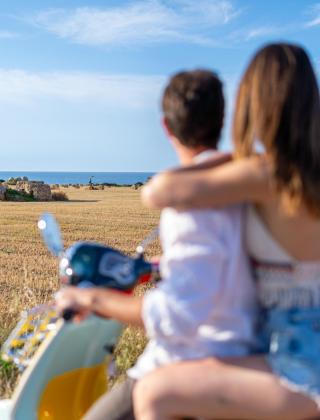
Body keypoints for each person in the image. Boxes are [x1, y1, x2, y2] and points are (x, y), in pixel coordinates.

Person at [55, 69, 257, 420]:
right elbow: (221, 260)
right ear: (221, 121)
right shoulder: (246, 187)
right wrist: (163, 267)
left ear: (166, 127)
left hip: (193, 360)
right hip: (248, 352)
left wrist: (89, 297)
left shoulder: (190, 198)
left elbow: (176, 318)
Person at [133, 43, 320, 420]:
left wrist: (226, 157)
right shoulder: (304, 173)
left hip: (297, 360)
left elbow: (159, 192)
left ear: (254, 105)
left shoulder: (267, 174)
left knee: (155, 393)